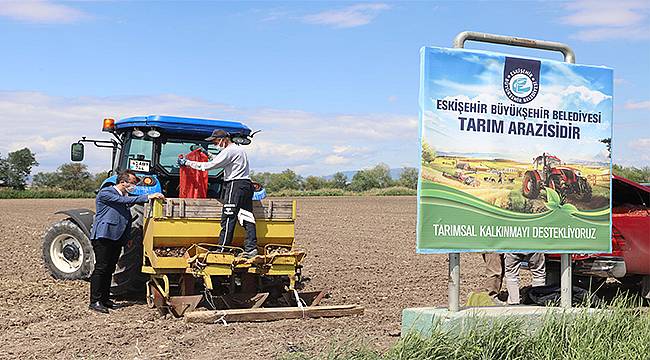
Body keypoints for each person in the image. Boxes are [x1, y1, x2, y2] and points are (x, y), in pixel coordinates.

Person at [88, 170, 164, 314]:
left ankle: (105, 299)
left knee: (110, 268)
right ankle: (95, 301)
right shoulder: (107, 192)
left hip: (117, 237)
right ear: (123, 182)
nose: (134, 186)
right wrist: (148, 196)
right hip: (104, 235)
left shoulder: (124, 195)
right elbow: (124, 201)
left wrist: (128, 238)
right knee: (101, 268)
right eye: (133, 182)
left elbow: (127, 219)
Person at [178, 129, 258, 258]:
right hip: (246, 185)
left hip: (234, 185)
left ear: (223, 139)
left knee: (228, 217)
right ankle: (251, 249)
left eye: (216, 141)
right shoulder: (239, 150)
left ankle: (222, 249)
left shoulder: (229, 151)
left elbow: (211, 166)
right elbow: (221, 161)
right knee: (247, 216)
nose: (215, 144)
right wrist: (207, 154)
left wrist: (187, 163)